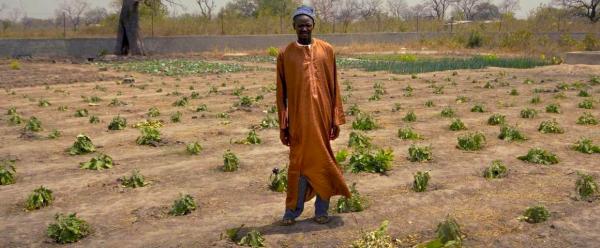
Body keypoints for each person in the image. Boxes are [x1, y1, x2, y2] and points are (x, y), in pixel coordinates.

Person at [276, 5, 351, 226]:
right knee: (297, 166)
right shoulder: (285, 54)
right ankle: (292, 211)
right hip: (298, 123)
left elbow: (334, 85)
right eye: (300, 26)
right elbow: (281, 93)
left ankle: (322, 210)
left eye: (308, 25)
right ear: (294, 27)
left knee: (322, 164)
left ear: (314, 25)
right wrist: (283, 124)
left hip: (322, 120)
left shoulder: (327, 50)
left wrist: (335, 119)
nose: (304, 29)